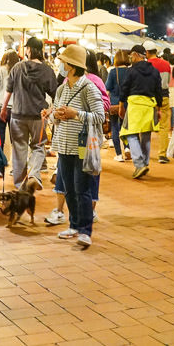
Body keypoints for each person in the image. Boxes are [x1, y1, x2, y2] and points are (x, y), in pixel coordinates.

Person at [41, 44, 105, 248]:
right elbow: (58, 118)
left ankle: (85, 230)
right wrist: (54, 115)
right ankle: (74, 225)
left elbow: (99, 116)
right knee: (68, 187)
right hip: (64, 144)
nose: (60, 64)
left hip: (83, 145)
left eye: (63, 61)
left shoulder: (88, 88)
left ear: (72, 65)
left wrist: (75, 114)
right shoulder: (62, 88)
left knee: (82, 187)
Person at [0, 37, 58, 190]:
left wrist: (3, 108)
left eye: (26, 48)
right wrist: (51, 110)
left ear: (30, 49)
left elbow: (8, 91)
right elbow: (56, 95)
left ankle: (20, 185)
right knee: (38, 146)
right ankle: (33, 174)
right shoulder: (47, 70)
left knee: (19, 148)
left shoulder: (17, 68)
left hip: (18, 114)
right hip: (39, 116)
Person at [119, 44, 163, 179]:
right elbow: (158, 90)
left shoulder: (131, 71)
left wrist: (121, 105)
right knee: (145, 135)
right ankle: (144, 162)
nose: (130, 58)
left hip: (134, 105)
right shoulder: (155, 71)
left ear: (137, 55)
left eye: (131, 55)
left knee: (130, 133)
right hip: (149, 106)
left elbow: (124, 88)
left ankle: (139, 164)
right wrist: (159, 108)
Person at [0, 50, 19, 176]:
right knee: (15, 140)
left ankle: (0, 169)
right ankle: (15, 168)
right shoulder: (18, 71)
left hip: (0, 107)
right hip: (16, 109)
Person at [144, 41, 173, 164]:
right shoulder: (166, 64)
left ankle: (144, 155)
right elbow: (167, 82)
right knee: (164, 127)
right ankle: (162, 154)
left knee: (145, 126)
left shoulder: (145, 65)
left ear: (146, 52)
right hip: (164, 96)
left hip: (148, 98)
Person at [105, 50, 131, 162]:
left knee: (115, 127)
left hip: (114, 104)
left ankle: (119, 154)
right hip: (128, 103)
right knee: (126, 127)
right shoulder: (130, 71)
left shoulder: (112, 72)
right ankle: (127, 148)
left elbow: (107, 88)